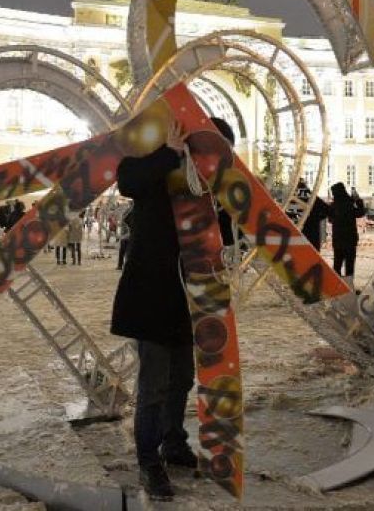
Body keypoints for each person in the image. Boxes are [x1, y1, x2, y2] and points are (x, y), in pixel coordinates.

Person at [111, 116, 235, 501]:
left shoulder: (207, 191)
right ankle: (149, 461)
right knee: (153, 387)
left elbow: (225, 234)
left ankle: (174, 444)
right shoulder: (156, 166)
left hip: (189, 299)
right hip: (151, 296)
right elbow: (127, 180)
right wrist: (169, 152)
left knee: (181, 378)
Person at [328, 182, 365, 286]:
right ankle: (349, 288)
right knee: (349, 266)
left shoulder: (333, 205)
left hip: (338, 240)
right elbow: (361, 212)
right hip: (350, 240)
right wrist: (357, 200)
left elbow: (330, 220)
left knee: (337, 264)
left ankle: (337, 287)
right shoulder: (349, 204)